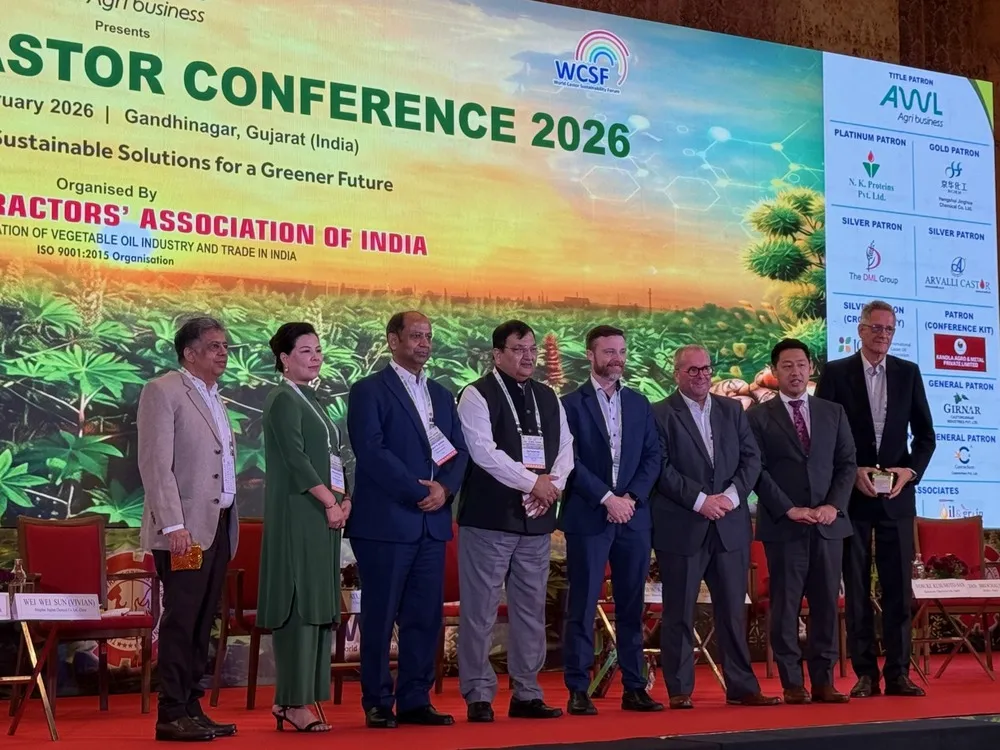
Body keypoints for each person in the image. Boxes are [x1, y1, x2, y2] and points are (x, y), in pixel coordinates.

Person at [347, 311, 469, 729]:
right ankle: (377, 701)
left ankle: (416, 698)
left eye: (428, 336)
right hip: (386, 523)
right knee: (381, 616)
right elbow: (371, 450)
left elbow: (459, 451)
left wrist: (445, 490)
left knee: (424, 617)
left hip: (432, 524)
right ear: (393, 340)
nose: (424, 344)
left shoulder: (441, 393)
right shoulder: (368, 390)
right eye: (415, 336)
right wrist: (420, 492)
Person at [816, 300, 935, 698]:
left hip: (897, 499)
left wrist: (909, 472)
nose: (883, 335)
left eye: (889, 329)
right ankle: (865, 673)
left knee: (898, 589)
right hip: (852, 497)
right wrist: (852, 472)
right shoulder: (836, 373)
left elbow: (926, 436)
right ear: (861, 330)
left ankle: (899, 673)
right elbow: (824, 436)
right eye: (877, 328)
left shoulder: (908, 373)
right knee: (856, 589)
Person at [456, 320, 574, 722]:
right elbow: (483, 452)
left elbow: (566, 448)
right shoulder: (476, 394)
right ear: (497, 354)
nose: (528, 357)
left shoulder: (548, 395)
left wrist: (551, 486)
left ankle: (527, 692)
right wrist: (532, 484)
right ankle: (478, 693)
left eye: (532, 349)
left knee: (530, 610)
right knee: (481, 611)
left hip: (536, 522)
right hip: (489, 519)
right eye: (518, 349)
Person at [650, 344, 777, 709]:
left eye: (706, 368)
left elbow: (752, 459)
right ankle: (679, 690)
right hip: (682, 526)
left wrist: (731, 498)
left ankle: (742, 687)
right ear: (677, 373)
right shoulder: (659, 414)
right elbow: (660, 468)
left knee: (733, 611)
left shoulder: (732, 410)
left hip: (730, 525)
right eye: (692, 370)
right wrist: (700, 501)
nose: (701, 375)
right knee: (679, 611)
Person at [138, 317, 239, 742]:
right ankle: (171, 712)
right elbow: (156, 465)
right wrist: (174, 525)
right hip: (184, 531)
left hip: (218, 526)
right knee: (182, 619)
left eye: (225, 346)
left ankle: (192, 707)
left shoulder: (216, 397)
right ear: (189, 353)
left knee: (202, 620)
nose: (223, 353)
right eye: (214, 346)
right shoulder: (163, 391)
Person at [559, 325, 663, 715]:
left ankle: (635, 687)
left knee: (632, 606)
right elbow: (568, 461)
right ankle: (578, 688)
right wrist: (607, 498)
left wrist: (630, 498)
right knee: (582, 604)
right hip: (590, 515)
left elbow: (653, 456)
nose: (617, 359)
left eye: (621, 351)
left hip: (633, 517)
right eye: (608, 352)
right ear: (590, 355)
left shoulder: (639, 403)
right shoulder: (569, 405)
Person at [747, 339, 856, 704]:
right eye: (787, 366)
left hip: (827, 525)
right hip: (785, 526)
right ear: (774, 371)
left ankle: (824, 681)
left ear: (811, 368)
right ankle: (793, 682)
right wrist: (788, 508)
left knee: (825, 605)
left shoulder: (833, 412)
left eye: (801, 365)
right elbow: (756, 470)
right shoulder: (758, 416)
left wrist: (833, 506)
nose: (795, 372)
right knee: (786, 605)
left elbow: (847, 465)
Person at [257, 322, 347, 732]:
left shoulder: (313, 399)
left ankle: (302, 698)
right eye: (306, 351)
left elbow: (332, 455)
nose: (315, 358)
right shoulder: (282, 399)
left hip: (323, 512)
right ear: (284, 358)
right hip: (300, 511)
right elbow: (295, 459)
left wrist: (344, 499)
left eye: (318, 350)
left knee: (317, 604)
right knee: (299, 603)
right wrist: (329, 500)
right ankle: (292, 701)